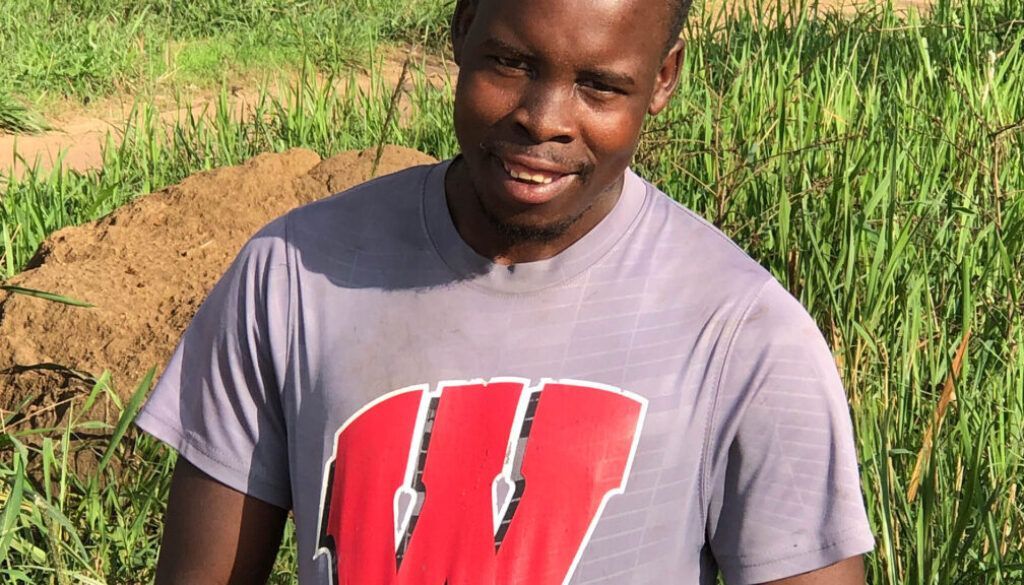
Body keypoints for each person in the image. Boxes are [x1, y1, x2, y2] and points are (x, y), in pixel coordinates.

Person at [136, 0, 875, 583]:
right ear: (462, 27)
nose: (544, 119)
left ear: (662, 78)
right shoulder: (295, 275)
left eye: (600, 85)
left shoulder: (742, 335)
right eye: (512, 62)